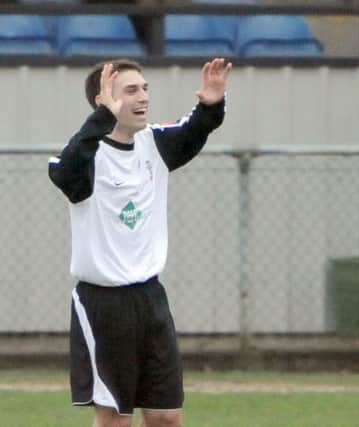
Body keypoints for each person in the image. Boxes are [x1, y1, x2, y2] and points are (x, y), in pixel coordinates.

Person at [48, 57, 231, 427]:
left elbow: (194, 129)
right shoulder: (86, 158)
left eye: (145, 88)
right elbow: (65, 171)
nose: (143, 96)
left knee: (166, 417)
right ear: (104, 101)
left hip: (150, 299)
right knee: (116, 419)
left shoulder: (155, 145)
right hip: (104, 303)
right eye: (131, 90)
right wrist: (100, 119)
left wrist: (211, 104)